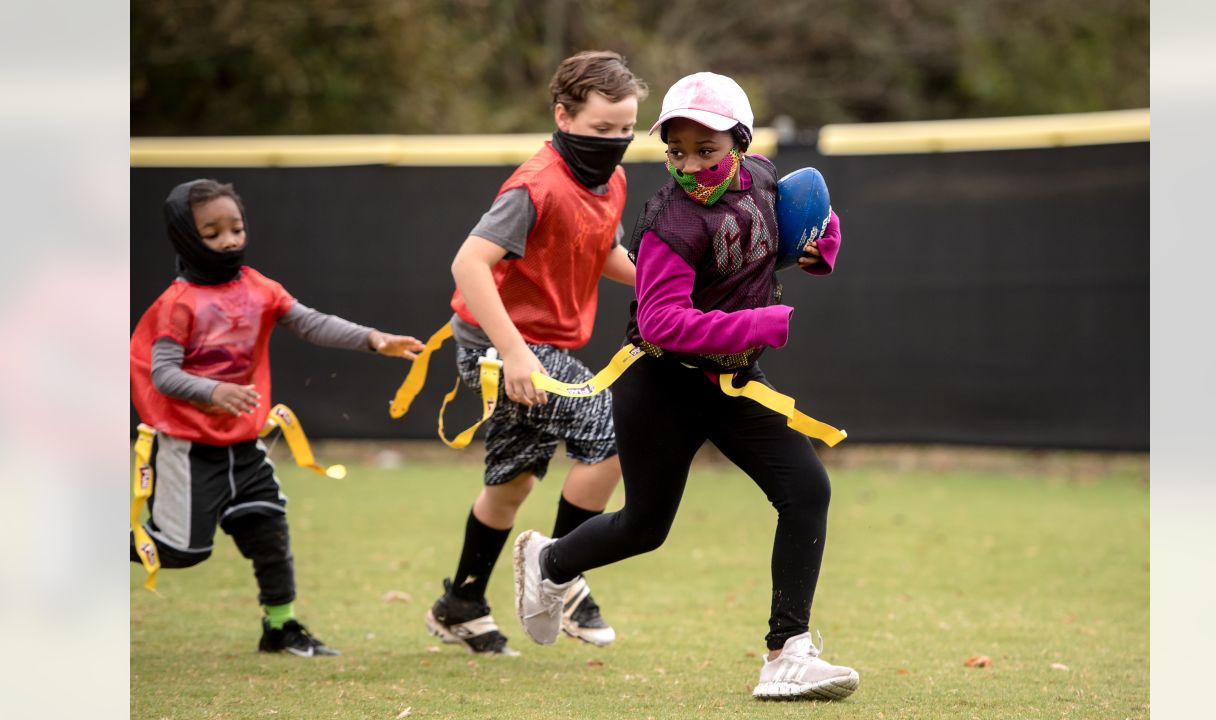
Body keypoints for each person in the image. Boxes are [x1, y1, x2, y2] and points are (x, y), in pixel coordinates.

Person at [511, 72, 859, 700]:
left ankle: (787, 653)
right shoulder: (668, 222)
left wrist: (818, 248)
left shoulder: (760, 175)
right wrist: (761, 321)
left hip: (731, 383)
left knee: (807, 491)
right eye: (678, 152)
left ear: (740, 140)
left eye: (708, 149)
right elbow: (661, 322)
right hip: (661, 386)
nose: (692, 165)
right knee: (645, 527)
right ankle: (548, 561)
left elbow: (815, 220)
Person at [129, 179, 425, 657]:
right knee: (182, 552)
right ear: (186, 236)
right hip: (189, 448)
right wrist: (214, 390)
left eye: (236, 228)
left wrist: (373, 338)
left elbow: (310, 321)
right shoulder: (177, 305)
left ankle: (281, 628)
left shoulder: (257, 287)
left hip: (244, 445)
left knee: (268, 527)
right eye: (213, 232)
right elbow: (163, 375)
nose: (229, 240)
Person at [424, 50, 648, 656]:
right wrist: (516, 354)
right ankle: (561, 572)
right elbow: (468, 264)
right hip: (500, 349)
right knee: (610, 431)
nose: (616, 141)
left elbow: (603, 253)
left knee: (513, 484)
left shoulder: (613, 180)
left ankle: (461, 604)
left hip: (533, 346)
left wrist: (670, 282)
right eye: (603, 129)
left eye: (626, 129)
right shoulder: (536, 184)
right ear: (563, 116)